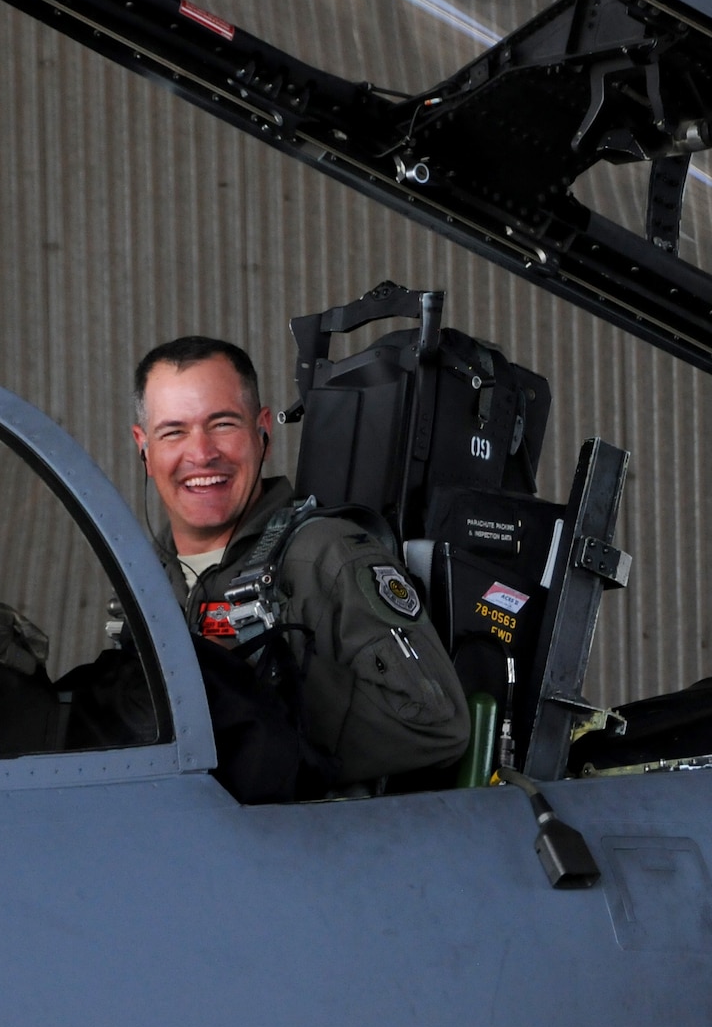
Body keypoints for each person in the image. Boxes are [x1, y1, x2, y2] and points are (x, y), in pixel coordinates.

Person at [132, 335, 470, 795]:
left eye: (223, 424)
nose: (201, 453)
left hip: (304, 850)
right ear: (144, 448)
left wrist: (263, 703)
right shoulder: (142, 577)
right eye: (173, 431)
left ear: (262, 431)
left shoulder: (326, 555)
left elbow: (438, 725)